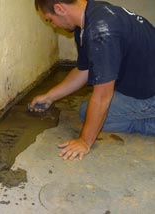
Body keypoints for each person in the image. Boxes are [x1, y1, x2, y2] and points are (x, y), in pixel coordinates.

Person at [30, 0, 155, 161]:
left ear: (59, 9)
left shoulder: (101, 30)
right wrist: (49, 96)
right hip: (145, 84)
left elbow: (103, 95)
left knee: (100, 117)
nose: (52, 25)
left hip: (150, 95)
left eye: (49, 19)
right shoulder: (90, 17)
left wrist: (84, 141)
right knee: (87, 112)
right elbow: (85, 70)